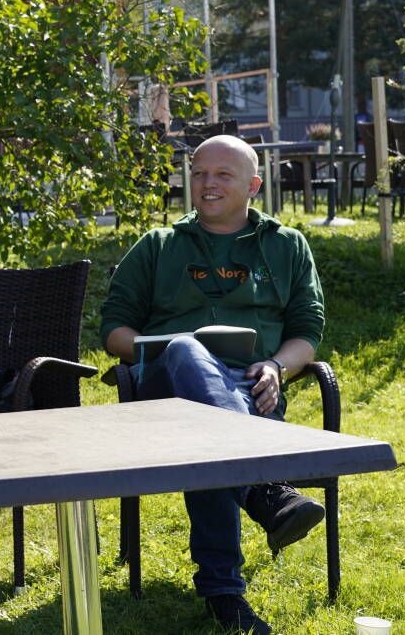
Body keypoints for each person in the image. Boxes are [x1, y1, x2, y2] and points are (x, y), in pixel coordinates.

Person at [100, 134, 326, 635]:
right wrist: (156, 350)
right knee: (185, 350)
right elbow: (114, 328)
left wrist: (276, 368)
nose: (207, 183)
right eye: (199, 173)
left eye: (223, 174)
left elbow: (307, 332)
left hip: (250, 388)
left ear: (254, 184)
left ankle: (225, 594)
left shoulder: (286, 246)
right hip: (163, 387)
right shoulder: (158, 246)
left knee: (208, 426)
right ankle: (264, 493)